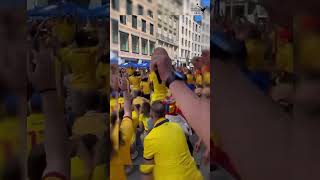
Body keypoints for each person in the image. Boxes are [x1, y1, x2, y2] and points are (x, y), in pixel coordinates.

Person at [140, 101, 203, 180]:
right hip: (194, 175)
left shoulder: (149, 138)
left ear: (151, 115)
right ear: (165, 113)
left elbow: (147, 170)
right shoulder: (178, 127)